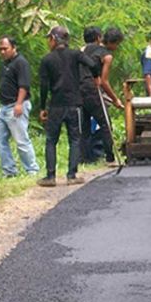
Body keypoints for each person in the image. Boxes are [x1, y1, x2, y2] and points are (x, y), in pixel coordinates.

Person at [37, 26, 99, 187]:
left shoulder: (47, 60)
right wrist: (96, 77)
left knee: (51, 140)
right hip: (74, 104)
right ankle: (71, 175)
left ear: (54, 39)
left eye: (49, 39)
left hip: (56, 105)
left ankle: (50, 177)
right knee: (75, 139)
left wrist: (42, 108)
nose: (48, 42)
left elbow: (43, 86)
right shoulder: (76, 55)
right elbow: (92, 64)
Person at [0, 36, 40, 178]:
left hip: (16, 105)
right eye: (0, 49)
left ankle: (32, 170)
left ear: (14, 48)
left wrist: (19, 104)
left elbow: (24, 85)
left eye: (5, 49)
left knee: (21, 140)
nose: (2, 52)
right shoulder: (5, 63)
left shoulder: (21, 63)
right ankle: (9, 170)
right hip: (4, 107)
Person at [79, 26, 121, 165]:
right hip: (92, 89)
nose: (117, 47)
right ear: (113, 42)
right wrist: (115, 99)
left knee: (84, 126)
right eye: (117, 44)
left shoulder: (82, 50)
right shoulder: (106, 56)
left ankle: (84, 159)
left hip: (79, 90)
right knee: (105, 123)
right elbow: (103, 81)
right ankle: (110, 158)